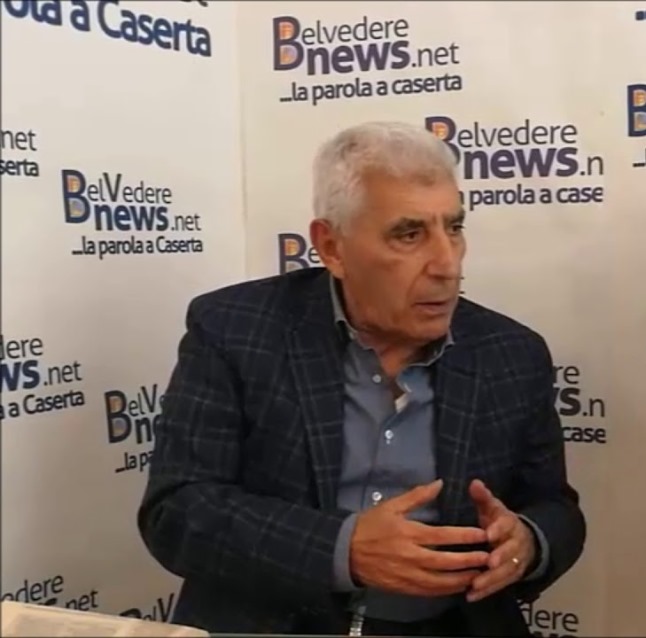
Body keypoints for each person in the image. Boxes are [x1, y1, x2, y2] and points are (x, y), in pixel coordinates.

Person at [137, 121, 586, 637]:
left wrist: (527, 540)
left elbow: (556, 509)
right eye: (409, 234)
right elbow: (177, 510)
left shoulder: (512, 354)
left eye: (454, 227)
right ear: (332, 247)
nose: (447, 264)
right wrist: (341, 548)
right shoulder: (234, 330)